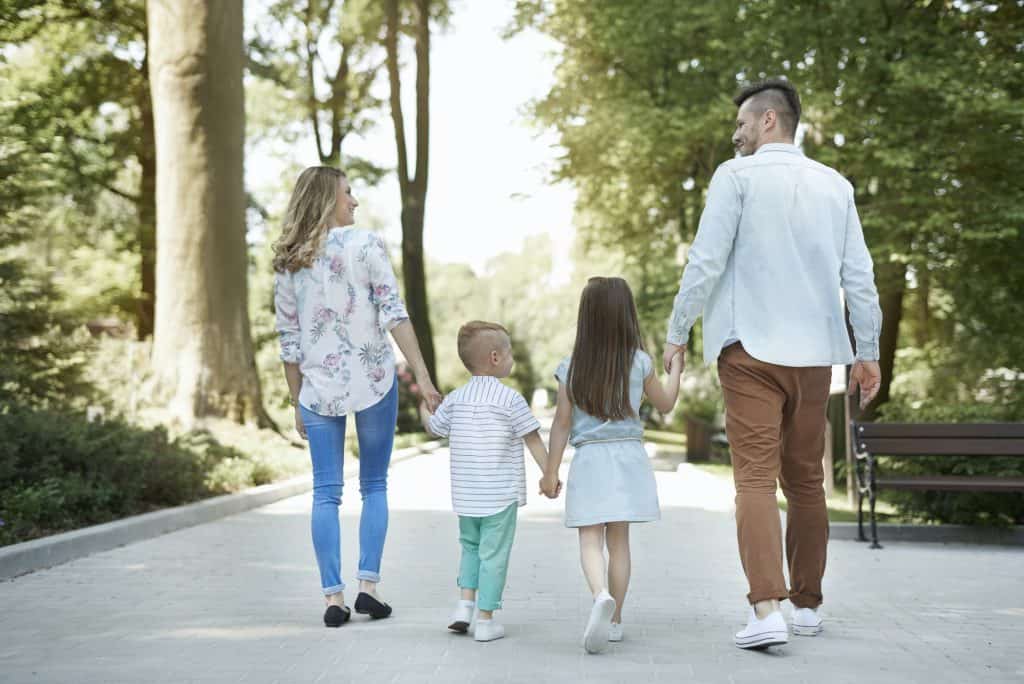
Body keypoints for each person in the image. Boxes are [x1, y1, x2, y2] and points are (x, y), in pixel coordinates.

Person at [662, 78, 883, 649]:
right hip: (815, 358)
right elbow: (859, 276)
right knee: (807, 482)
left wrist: (676, 331)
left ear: (768, 122)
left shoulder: (734, 178)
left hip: (750, 351)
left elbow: (705, 261)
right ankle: (806, 605)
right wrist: (868, 352)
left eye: (740, 124)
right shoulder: (836, 186)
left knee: (755, 480)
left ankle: (765, 610)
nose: (734, 135)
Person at [273, 166, 442, 628]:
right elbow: (395, 315)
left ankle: (333, 598)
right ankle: (368, 587)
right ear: (328, 198)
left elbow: (288, 340)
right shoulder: (366, 244)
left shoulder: (288, 261)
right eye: (349, 193)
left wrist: (295, 402)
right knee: (375, 485)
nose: (356, 201)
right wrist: (424, 379)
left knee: (325, 493)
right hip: (373, 381)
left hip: (316, 388)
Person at [542, 277, 684, 654]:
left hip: (590, 459)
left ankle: (599, 593)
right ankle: (616, 619)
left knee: (590, 538)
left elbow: (561, 423)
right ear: (627, 316)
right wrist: (677, 369)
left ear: (585, 318)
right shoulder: (640, 363)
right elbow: (666, 403)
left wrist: (551, 470)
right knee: (618, 541)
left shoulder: (570, 367)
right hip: (628, 458)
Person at [419, 321, 556, 642]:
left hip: (467, 497)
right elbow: (533, 440)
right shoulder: (510, 400)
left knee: (470, 548)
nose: (512, 359)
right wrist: (549, 474)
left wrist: (425, 408)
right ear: (495, 357)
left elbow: (435, 428)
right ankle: (485, 619)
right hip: (499, 496)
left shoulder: (456, 399)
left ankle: (464, 606)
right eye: (509, 353)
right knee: (493, 554)